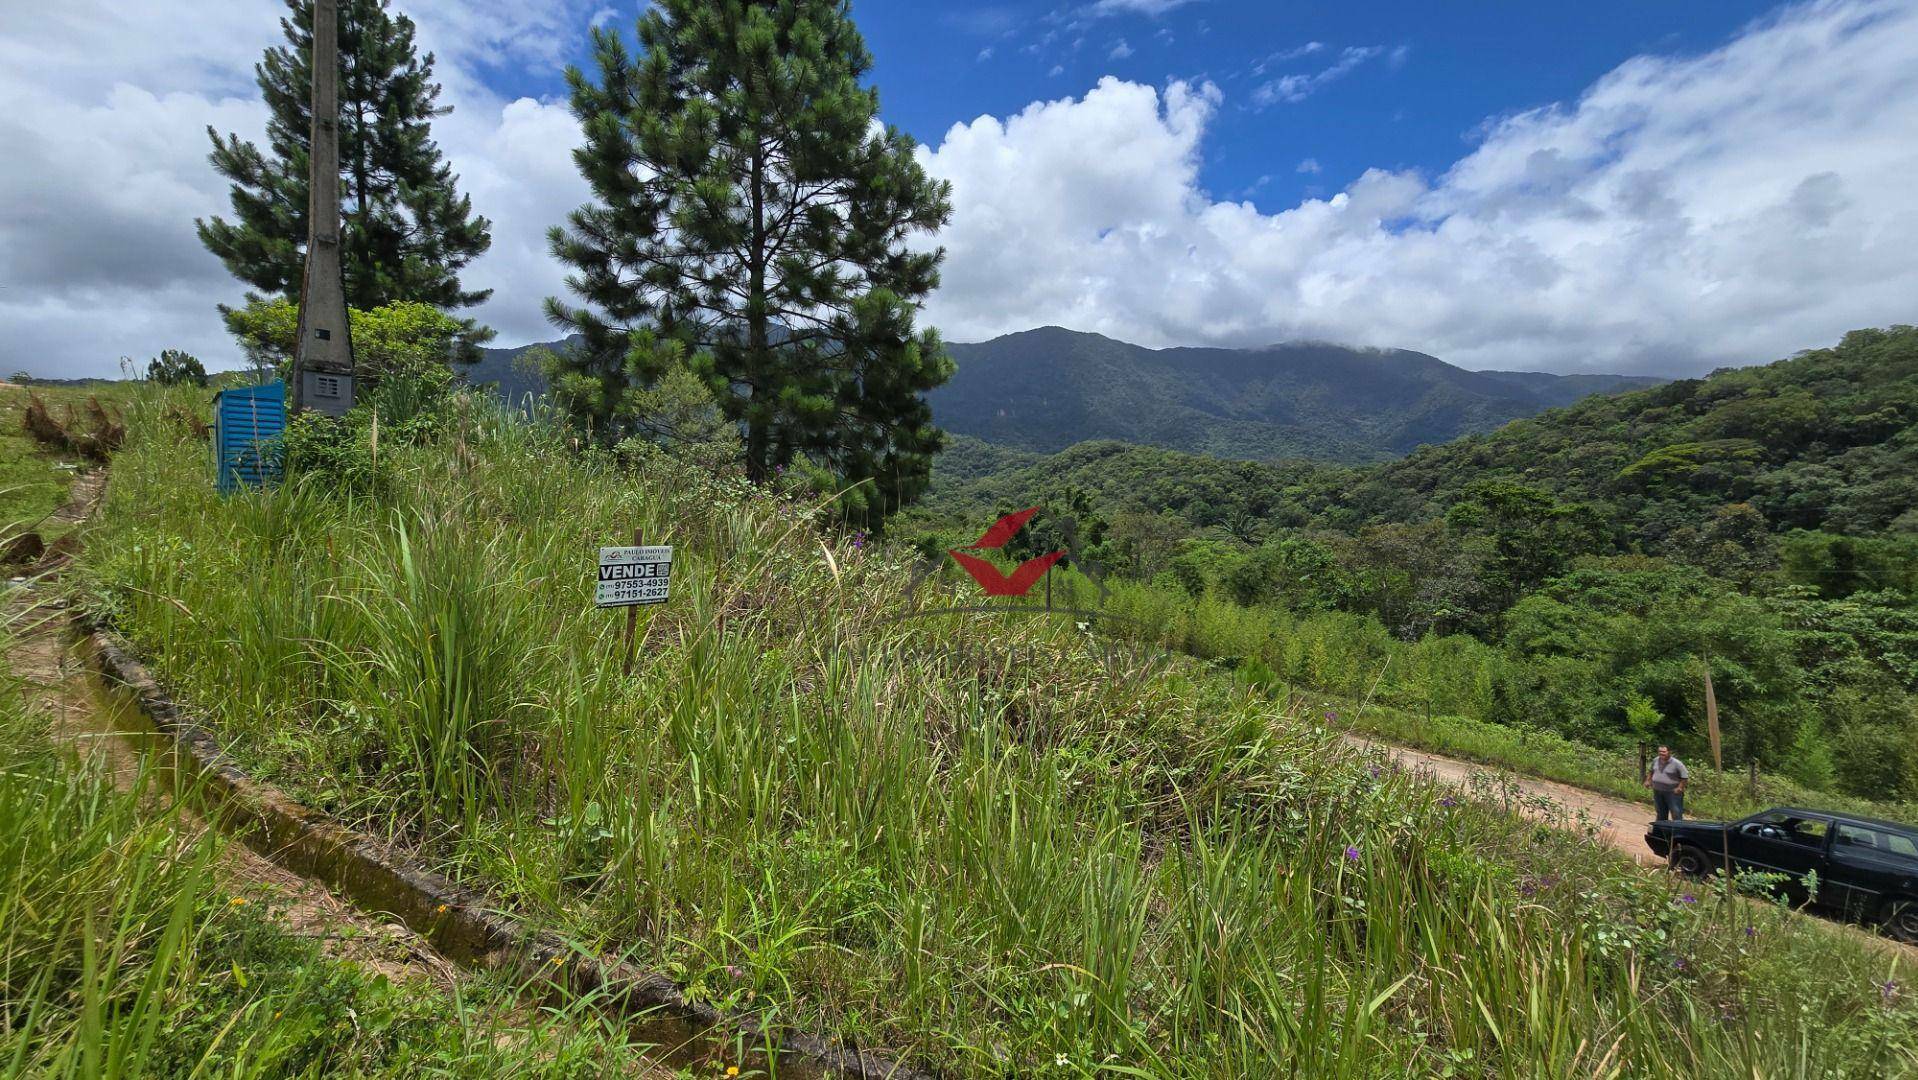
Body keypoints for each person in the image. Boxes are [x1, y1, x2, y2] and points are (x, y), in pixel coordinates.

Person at [1646, 745, 1689, 821]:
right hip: (1658, 791)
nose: (1661, 753)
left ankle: (1677, 831)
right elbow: (1651, 771)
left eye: (1664, 752)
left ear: (1669, 752)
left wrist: (1680, 788)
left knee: (1676, 814)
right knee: (1660, 813)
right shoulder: (1655, 760)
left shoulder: (1677, 764)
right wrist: (1648, 780)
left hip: (1672, 793)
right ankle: (1661, 831)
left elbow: (1684, 777)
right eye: (1660, 751)